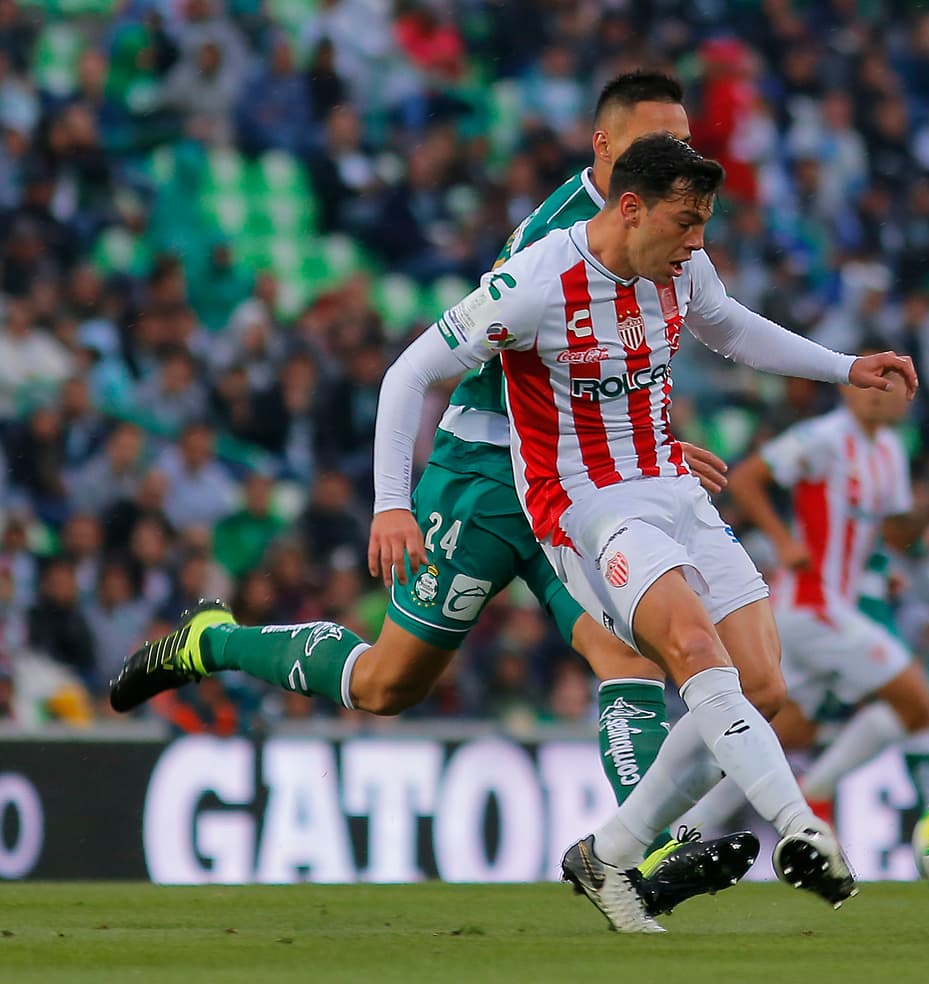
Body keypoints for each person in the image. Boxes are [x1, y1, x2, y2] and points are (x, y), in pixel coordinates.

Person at [110, 72, 754, 918]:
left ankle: (653, 844)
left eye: (681, 145)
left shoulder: (659, 229)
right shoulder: (559, 241)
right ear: (604, 149)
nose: (672, 164)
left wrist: (656, 444)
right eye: (651, 147)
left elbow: (616, 362)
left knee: (626, 652)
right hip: (486, 477)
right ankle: (215, 641)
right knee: (387, 684)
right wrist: (392, 498)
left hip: (577, 486)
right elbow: (445, 365)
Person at [370, 134, 912, 931]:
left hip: (674, 491)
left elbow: (728, 326)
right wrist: (393, 501)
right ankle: (802, 830)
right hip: (587, 508)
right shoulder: (535, 283)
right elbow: (409, 372)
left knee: (762, 685)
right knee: (694, 651)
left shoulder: (680, 269)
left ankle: (610, 851)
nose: (697, 242)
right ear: (632, 208)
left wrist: (844, 367)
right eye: (686, 223)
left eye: (704, 225)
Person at [679, 345, 929, 835]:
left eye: (891, 390)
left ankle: (691, 824)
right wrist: (783, 541)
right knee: (916, 699)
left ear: (905, 402)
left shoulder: (890, 453)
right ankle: (823, 797)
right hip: (811, 605)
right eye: (872, 386)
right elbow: (748, 478)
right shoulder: (824, 438)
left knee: (786, 732)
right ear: (848, 389)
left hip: (830, 606)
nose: (878, 398)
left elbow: (895, 536)